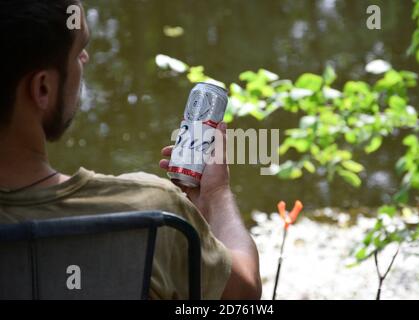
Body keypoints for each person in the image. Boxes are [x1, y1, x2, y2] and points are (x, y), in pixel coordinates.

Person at [0, 0, 261, 300]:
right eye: (76, 50)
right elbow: (245, 293)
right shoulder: (148, 211)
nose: (84, 57)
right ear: (42, 88)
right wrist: (217, 195)